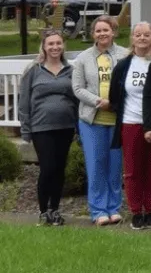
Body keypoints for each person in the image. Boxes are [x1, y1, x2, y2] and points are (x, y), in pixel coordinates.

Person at [101, 22, 151, 230]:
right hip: (130, 123)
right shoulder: (124, 65)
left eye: (146, 34)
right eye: (138, 34)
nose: (142, 38)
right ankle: (136, 211)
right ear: (132, 38)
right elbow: (114, 97)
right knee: (133, 171)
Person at [21, 28, 79, 226]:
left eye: (58, 43)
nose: (55, 47)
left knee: (60, 169)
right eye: (50, 44)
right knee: (47, 168)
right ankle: (43, 211)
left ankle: (55, 209)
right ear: (44, 47)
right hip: (41, 127)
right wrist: (25, 128)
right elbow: (24, 102)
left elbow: (76, 98)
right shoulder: (34, 71)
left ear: (63, 46)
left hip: (65, 126)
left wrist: (78, 126)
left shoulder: (71, 71)